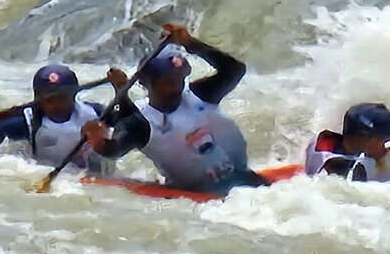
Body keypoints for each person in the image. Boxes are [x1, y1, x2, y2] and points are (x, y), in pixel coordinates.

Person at [83, 23, 267, 194]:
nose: (177, 86)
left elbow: (235, 70)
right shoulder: (141, 122)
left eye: (180, 78)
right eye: (168, 81)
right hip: (197, 194)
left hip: (243, 178)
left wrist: (190, 43)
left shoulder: (199, 95)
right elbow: (114, 149)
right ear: (148, 83)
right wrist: (98, 140)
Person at [0, 64, 113, 174]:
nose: (56, 104)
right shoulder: (23, 124)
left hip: (89, 172)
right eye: (48, 99)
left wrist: (119, 87)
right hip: (56, 177)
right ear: (36, 97)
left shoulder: (96, 112)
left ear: (74, 94)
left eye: (62, 97)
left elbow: (129, 123)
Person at [304, 102, 390, 182]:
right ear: (364, 139)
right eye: (385, 140)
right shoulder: (342, 170)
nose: (389, 145)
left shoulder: (328, 139)